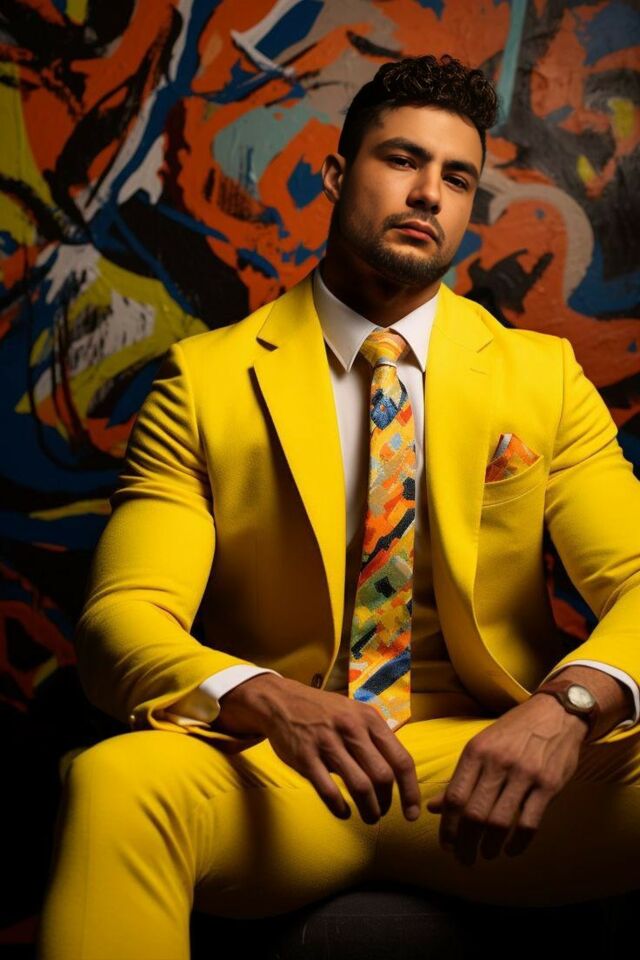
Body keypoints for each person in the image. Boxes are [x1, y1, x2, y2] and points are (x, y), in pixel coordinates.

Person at [37, 53, 640, 960]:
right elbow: (121, 620)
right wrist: (268, 699)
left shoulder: (542, 376)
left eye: (457, 178)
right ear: (334, 174)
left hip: (492, 769)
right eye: (402, 160)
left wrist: (568, 705)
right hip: (282, 772)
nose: (429, 192)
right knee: (116, 783)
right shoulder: (204, 383)